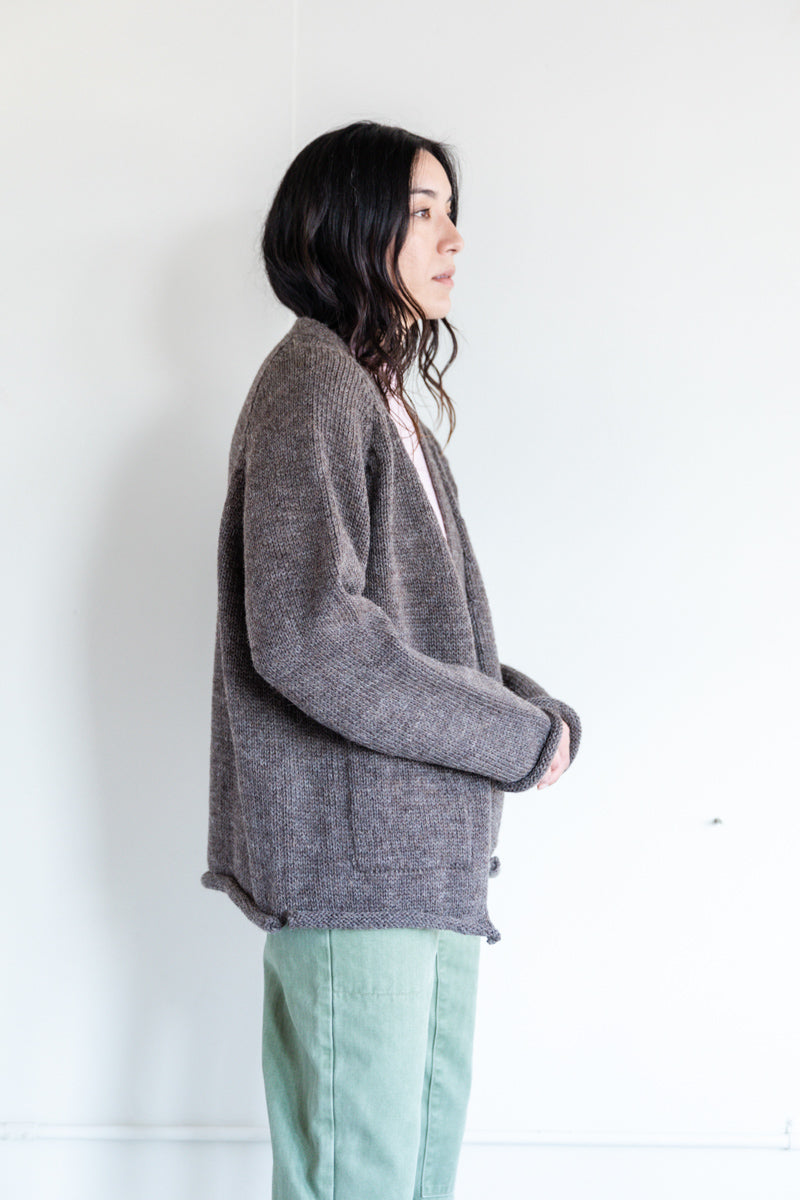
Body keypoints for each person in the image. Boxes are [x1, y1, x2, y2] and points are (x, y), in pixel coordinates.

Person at [201, 119, 581, 1200]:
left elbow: (424, 640)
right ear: (347, 226)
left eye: (452, 211)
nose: (452, 237)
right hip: (353, 871)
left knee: (410, 1181)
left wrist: (531, 711)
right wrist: (519, 738)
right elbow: (312, 637)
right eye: (421, 212)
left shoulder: (383, 402)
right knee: (355, 1181)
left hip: (423, 869)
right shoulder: (312, 384)